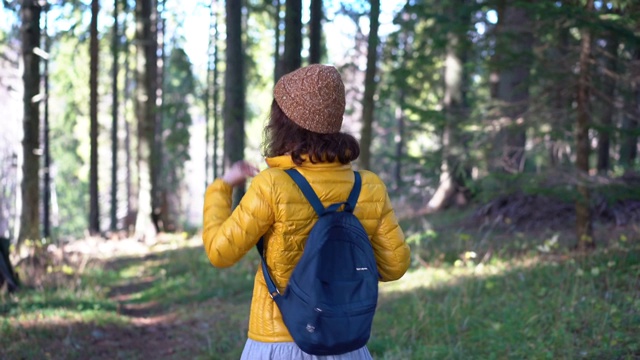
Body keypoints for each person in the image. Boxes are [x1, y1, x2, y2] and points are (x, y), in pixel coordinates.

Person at [202, 64, 411, 360]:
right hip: (346, 344)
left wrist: (222, 188)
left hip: (278, 343)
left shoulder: (273, 185)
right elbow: (395, 266)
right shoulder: (369, 186)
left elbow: (220, 253)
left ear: (283, 121)